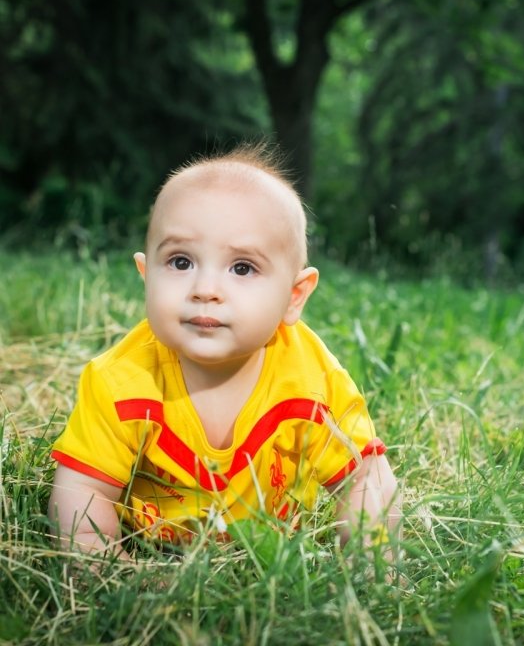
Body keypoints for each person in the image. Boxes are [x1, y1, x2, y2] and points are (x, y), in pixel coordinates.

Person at [48, 143, 400, 559]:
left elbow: (366, 476)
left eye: (242, 268)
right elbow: (81, 491)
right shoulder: (122, 383)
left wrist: (372, 562)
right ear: (146, 276)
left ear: (294, 296)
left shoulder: (310, 381)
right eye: (181, 262)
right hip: (151, 541)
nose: (205, 290)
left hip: (268, 547)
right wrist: (109, 568)